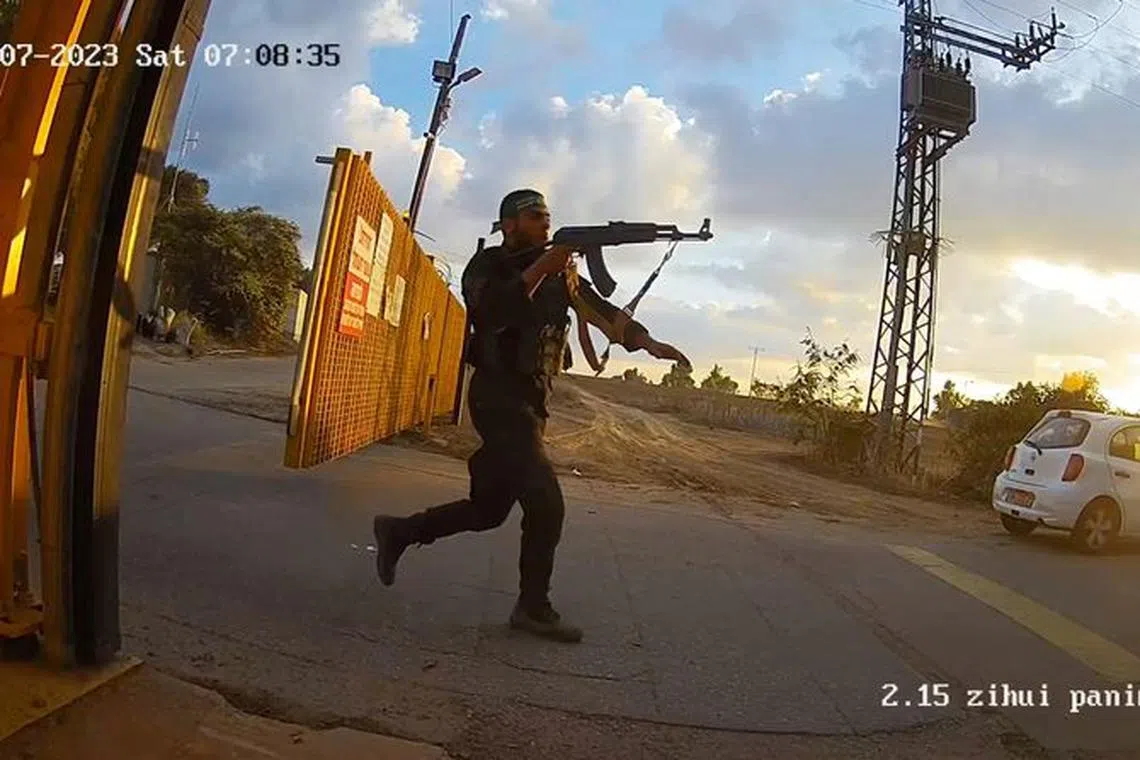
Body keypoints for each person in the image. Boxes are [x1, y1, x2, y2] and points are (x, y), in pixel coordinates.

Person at [371, 189, 691, 643]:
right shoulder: (487, 266)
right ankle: (533, 608)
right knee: (546, 503)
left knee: (488, 510)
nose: (544, 223)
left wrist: (648, 343)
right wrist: (544, 266)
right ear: (508, 224)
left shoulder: (564, 276)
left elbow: (601, 313)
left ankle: (401, 531)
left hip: (532, 403)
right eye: (534, 216)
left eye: (547, 216)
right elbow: (491, 309)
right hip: (498, 398)